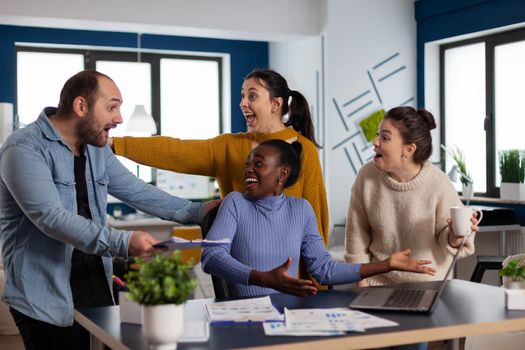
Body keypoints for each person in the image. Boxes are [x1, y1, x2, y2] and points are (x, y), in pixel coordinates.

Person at [0, 70, 218, 349]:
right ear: (81, 106)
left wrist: (196, 212)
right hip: (44, 294)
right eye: (112, 107)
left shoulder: (95, 149)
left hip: (96, 285)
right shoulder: (23, 147)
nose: (119, 118)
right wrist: (124, 242)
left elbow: (134, 189)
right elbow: (51, 218)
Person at [110, 69, 329, 247]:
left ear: (276, 104)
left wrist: (318, 282)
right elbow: (176, 150)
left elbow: (315, 216)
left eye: (252, 96)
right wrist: (115, 144)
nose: (243, 103)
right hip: (238, 267)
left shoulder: (303, 149)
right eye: (242, 96)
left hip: (291, 270)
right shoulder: (229, 146)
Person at [200, 140, 436, 297]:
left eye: (258, 164)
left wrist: (385, 265)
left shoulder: (301, 209)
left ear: (282, 174)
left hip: (288, 316)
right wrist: (263, 279)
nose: (248, 170)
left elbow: (323, 269)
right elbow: (211, 256)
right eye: (247, 164)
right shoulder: (235, 202)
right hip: (245, 320)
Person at [345, 106, 478, 289]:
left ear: (408, 149)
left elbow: (452, 239)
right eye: (378, 135)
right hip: (375, 286)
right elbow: (356, 238)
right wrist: (361, 283)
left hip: (430, 287)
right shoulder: (367, 176)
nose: (375, 142)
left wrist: (455, 236)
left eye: (385, 137)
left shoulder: (438, 183)